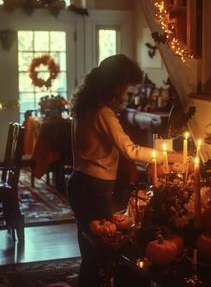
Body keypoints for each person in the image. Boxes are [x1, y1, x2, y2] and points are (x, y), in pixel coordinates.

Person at [67, 54, 181, 287]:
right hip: (95, 186)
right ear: (116, 83)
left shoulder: (84, 107)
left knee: (89, 250)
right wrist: (166, 156)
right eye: (126, 84)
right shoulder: (103, 113)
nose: (126, 91)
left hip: (79, 181)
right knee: (102, 252)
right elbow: (129, 150)